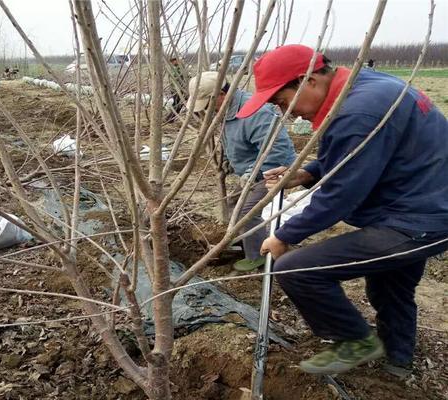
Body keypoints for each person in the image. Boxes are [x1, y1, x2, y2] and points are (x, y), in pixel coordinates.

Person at [236, 44, 448, 376]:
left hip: (417, 218)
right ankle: (398, 363)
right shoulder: (365, 86)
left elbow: (340, 196)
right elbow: (365, 153)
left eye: (281, 102)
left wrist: (284, 235)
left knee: (296, 269)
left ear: (308, 80)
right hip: (424, 203)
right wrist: (308, 173)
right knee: (389, 285)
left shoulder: (356, 112)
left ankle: (356, 344)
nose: (287, 114)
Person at [188, 71, 296, 271]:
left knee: (248, 213)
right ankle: (244, 239)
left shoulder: (254, 112)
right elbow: (235, 139)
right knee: (233, 204)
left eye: (208, 104)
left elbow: (277, 150)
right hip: (251, 170)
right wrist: (229, 160)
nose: (207, 111)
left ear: (221, 94)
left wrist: (255, 173)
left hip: (273, 170)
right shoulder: (228, 111)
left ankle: (259, 256)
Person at [165, 57, 186, 123]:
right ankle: (170, 118)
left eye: (174, 61)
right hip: (176, 90)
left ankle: (170, 118)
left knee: (178, 104)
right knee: (177, 104)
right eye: (172, 61)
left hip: (180, 90)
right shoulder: (175, 69)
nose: (173, 63)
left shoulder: (181, 68)